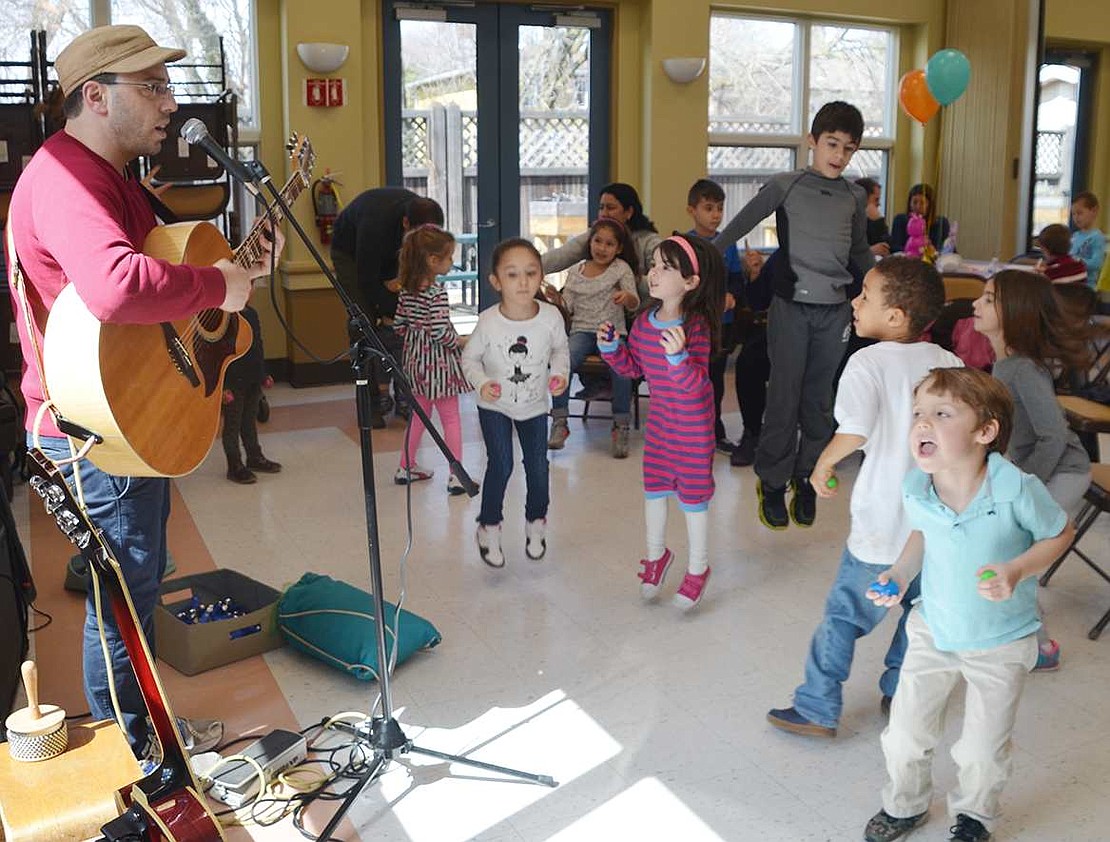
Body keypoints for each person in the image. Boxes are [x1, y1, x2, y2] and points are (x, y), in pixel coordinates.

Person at [5, 24, 282, 758]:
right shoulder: (67, 177)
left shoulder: (112, 180)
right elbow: (118, 286)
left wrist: (241, 270)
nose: (169, 104)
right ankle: (141, 747)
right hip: (93, 428)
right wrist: (221, 282)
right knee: (124, 597)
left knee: (135, 583)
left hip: (124, 409)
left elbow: (163, 284)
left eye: (168, 87)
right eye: (152, 87)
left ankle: (144, 729)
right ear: (95, 96)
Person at [863, 367, 1073, 842]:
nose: (922, 424)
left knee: (981, 749)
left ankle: (975, 816)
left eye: (941, 414)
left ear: (985, 431)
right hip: (932, 628)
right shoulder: (918, 485)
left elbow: (1060, 532)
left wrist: (1017, 570)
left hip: (1001, 640)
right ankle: (905, 805)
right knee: (904, 734)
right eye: (918, 413)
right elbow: (923, 533)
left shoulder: (1016, 488)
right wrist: (898, 574)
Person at [766, 257, 961, 738]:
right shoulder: (950, 363)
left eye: (866, 296)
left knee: (844, 615)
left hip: (883, 525)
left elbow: (854, 431)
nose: (855, 301)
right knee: (920, 614)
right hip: (938, 527)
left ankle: (816, 705)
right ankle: (899, 692)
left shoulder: (867, 362)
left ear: (895, 316)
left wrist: (823, 464)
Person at [715, 101, 875, 529]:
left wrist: (881, 281)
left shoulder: (854, 196)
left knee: (819, 403)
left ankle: (806, 476)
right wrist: (706, 253)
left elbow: (858, 250)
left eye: (848, 148)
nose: (839, 156)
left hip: (835, 311)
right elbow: (737, 225)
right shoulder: (786, 184)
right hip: (792, 309)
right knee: (784, 398)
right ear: (812, 141)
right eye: (832, 144)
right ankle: (771, 481)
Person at [972, 270, 1092, 671]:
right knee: (1013, 552)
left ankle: (1039, 646)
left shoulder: (1020, 369)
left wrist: (1021, 486)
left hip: (1064, 472)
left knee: (1017, 554)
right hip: (1043, 470)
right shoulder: (1006, 365)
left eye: (988, 299)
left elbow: (1053, 438)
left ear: (1014, 312)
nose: (976, 304)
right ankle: (1022, 635)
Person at [598, 234, 724, 609]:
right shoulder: (642, 323)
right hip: (661, 429)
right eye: (653, 265)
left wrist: (678, 359)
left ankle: (698, 568)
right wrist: (611, 350)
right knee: (654, 491)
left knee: (694, 500)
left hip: (694, 430)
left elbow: (698, 387)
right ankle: (657, 557)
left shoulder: (696, 327)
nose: (654, 274)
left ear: (690, 283)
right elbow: (635, 369)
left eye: (666, 268)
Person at [461, 238, 569, 568]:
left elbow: (560, 351)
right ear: (496, 281)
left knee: (537, 467)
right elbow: (469, 360)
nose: (522, 282)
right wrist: (483, 383)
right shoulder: (489, 321)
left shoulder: (551, 317)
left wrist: (560, 374)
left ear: (541, 276)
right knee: (502, 464)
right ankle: (488, 527)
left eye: (530, 273)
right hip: (493, 406)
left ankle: (536, 524)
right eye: (512, 274)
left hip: (534, 406)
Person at [330, 188, 445, 427]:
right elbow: (367, 280)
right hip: (351, 253)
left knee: (403, 320)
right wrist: (395, 311)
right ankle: (370, 402)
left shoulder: (423, 221)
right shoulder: (376, 224)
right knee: (362, 322)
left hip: (393, 252)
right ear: (405, 223)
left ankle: (406, 396)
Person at [544, 217, 639, 457]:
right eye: (598, 241)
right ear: (590, 242)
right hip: (582, 331)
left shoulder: (621, 269)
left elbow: (634, 303)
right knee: (563, 363)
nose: (602, 248)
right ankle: (560, 422)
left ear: (618, 248)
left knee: (621, 370)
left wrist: (627, 297)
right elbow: (569, 308)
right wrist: (557, 300)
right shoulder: (577, 270)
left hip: (611, 332)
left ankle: (621, 424)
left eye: (609, 244)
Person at [391, 225, 474, 494]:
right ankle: (457, 474)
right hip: (438, 365)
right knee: (450, 417)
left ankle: (406, 465)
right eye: (449, 257)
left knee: (419, 416)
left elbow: (399, 326)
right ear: (432, 260)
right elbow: (441, 332)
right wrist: (462, 341)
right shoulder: (436, 293)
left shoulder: (406, 290)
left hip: (415, 362)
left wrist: (417, 336)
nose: (452, 262)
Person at [685, 178, 746, 454]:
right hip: (693, 328)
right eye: (709, 208)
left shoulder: (728, 244)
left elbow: (735, 279)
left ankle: (714, 429)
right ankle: (690, 429)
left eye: (720, 208)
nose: (716, 215)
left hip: (721, 327)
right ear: (692, 210)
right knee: (693, 379)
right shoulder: (685, 244)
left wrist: (732, 294)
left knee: (716, 380)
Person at [542, 183, 662, 300]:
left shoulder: (649, 241)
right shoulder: (594, 235)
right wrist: (532, 267)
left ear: (629, 212)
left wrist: (631, 280)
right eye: (601, 208)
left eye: (610, 208)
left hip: (638, 314)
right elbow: (563, 255)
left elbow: (664, 279)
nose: (604, 213)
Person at [222, 302, 282, 484]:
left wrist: (263, 374)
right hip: (233, 381)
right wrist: (223, 387)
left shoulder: (252, 313)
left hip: (252, 378)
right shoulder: (222, 318)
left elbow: (258, 346)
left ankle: (254, 456)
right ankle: (235, 465)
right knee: (233, 423)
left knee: (249, 420)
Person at [889, 183, 950, 256]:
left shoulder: (941, 223)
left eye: (922, 203)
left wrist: (932, 250)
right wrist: (914, 249)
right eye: (915, 202)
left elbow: (947, 250)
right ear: (909, 204)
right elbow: (894, 248)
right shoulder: (900, 220)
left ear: (930, 204)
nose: (918, 207)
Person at [1070, 191, 1105, 283]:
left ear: (1094, 211)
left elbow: (1096, 263)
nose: (1076, 217)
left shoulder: (1097, 237)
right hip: (1073, 283)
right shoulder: (1075, 236)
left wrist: (1076, 261)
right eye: (1073, 214)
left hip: (1087, 286)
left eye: (1080, 213)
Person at [856, 177, 891, 257]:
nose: (879, 204)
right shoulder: (846, 221)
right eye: (876, 200)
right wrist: (870, 251)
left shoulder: (871, 220)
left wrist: (878, 221)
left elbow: (886, 246)